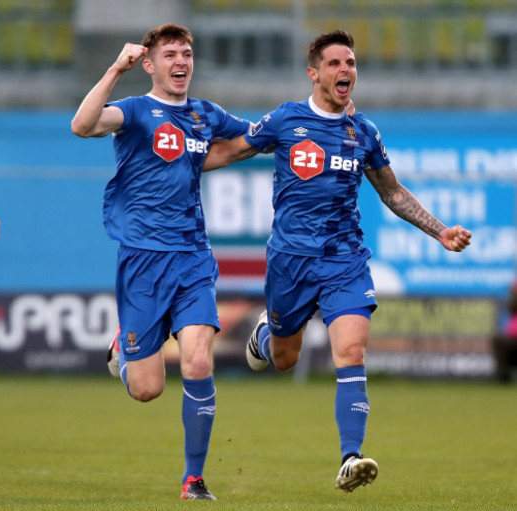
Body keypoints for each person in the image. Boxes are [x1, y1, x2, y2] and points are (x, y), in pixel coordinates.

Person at [202, 30, 472, 494]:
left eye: (350, 62)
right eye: (335, 64)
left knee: (351, 352)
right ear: (314, 73)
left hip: (345, 259)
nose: (345, 70)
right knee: (284, 359)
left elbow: (391, 192)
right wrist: (177, 166)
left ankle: (350, 457)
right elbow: (232, 150)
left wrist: (440, 230)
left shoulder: (364, 131)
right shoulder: (287, 120)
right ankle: (265, 338)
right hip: (290, 260)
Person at [70, 23, 251, 500]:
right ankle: (123, 352)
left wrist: (318, 120)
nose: (181, 61)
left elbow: (254, 136)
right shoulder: (134, 110)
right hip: (143, 261)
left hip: (192, 258)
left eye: (187, 53)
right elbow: (82, 125)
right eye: (170, 54)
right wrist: (114, 69)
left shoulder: (204, 115)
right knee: (148, 389)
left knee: (196, 360)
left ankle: (194, 479)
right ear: (149, 64)